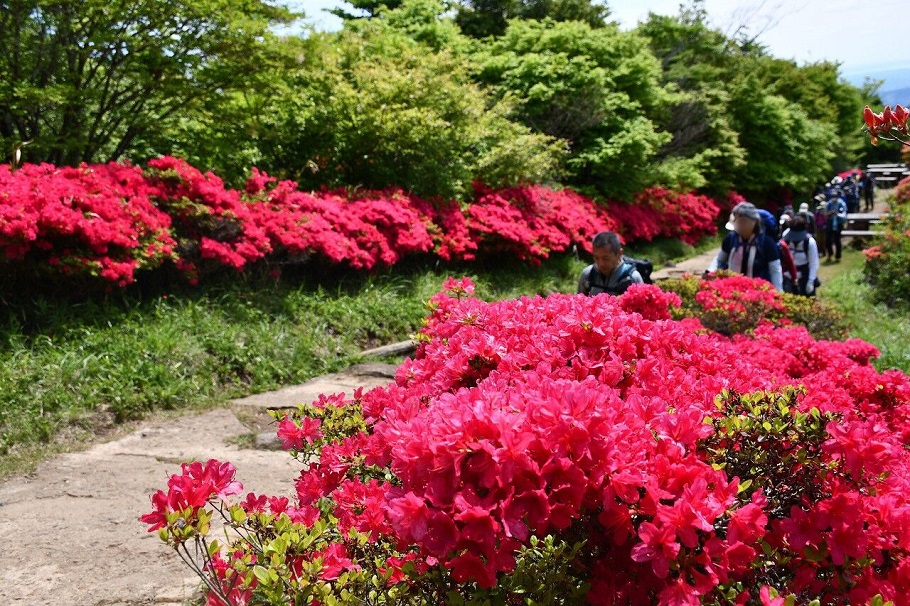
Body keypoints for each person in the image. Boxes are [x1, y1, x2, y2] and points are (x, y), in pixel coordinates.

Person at [707, 202, 783, 291]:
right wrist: (711, 271)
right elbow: (720, 260)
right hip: (733, 290)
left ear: (753, 222)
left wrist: (778, 292)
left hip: (759, 292)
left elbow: (775, 270)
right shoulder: (731, 238)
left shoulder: (766, 242)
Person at [577, 231, 643, 296]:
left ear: (619, 253)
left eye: (605, 258)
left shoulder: (633, 278)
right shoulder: (587, 275)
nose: (601, 264)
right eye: (596, 258)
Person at [782, 215, 820, 297]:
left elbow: (813, 263)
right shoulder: (785, 238)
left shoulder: (810, 242)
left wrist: (810, 281)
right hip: (788, 275)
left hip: (805, 275)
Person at [825, 192, 848, 262]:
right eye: (832, 197)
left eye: (835, 197)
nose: (834, 198)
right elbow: (825, 214)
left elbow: (844, 215)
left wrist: (837, 214)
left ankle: (838, 257)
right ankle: (830, 254)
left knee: (837, 240)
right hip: (830, 223)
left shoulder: (842, 204)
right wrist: (830, 213)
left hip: (838, 224)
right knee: (828, 240)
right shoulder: (828, 204)